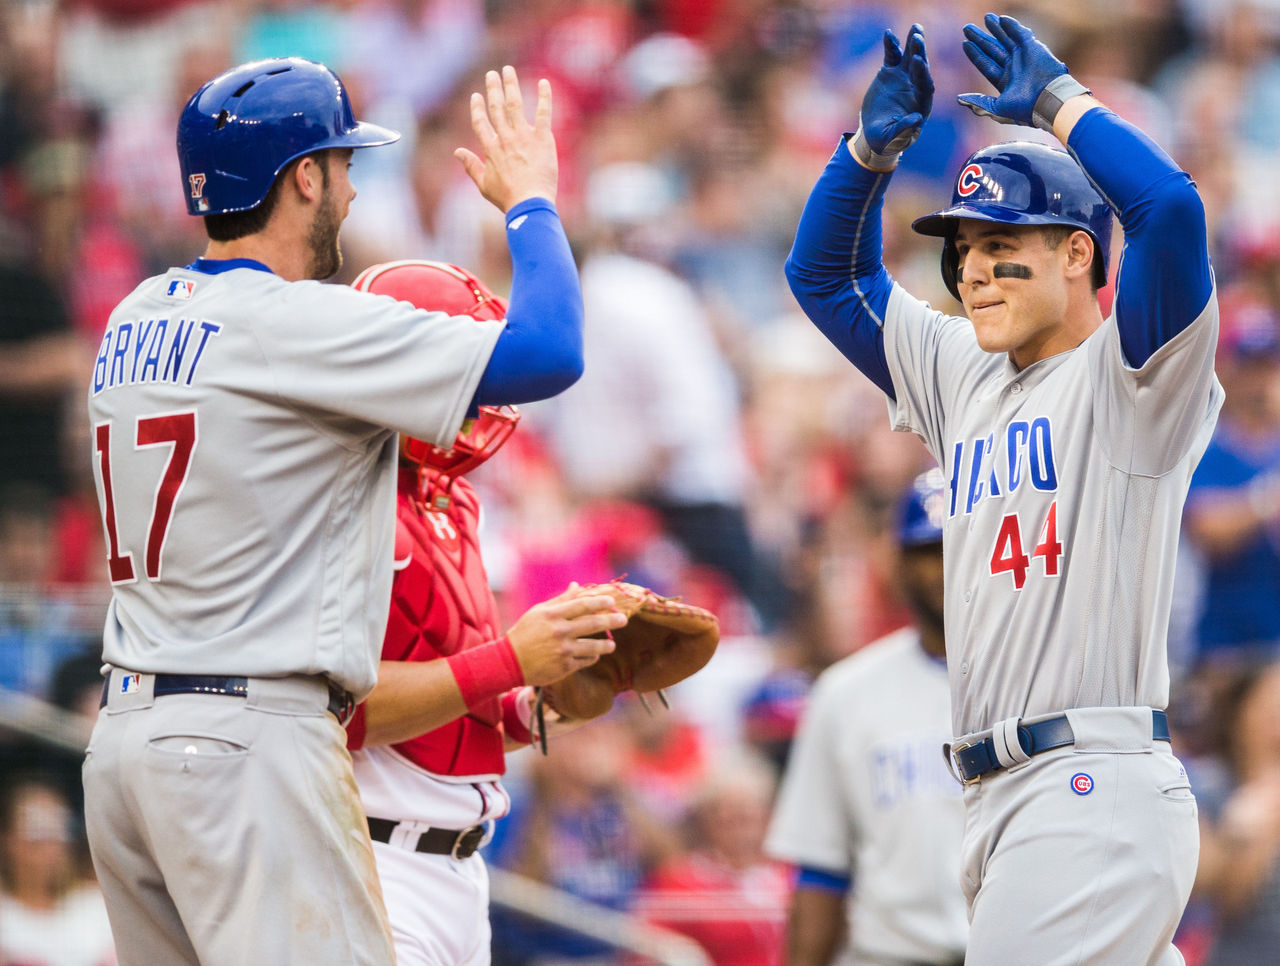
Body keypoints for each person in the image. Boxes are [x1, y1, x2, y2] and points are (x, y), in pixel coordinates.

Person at [82, 58, 623, 966]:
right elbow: (550, 350)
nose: (350, 185)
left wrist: (514, 698)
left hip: (130, 738)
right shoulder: (298, 321)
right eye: (340, 165)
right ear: (303, 178)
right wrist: (530, 201)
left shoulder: (135, 314)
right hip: (246, 741)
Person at [785, 14, 1220, 964]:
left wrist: (1063, 105)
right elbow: (823, 275)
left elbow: (1170, 213)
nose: (976, 267)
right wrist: (867, 155)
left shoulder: (1133, 373)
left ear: (1077, 253)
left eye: (1005, 241)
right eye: (966, 246)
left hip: (1086, 787)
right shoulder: (961, 373)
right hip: (1003, 796)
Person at [342, 258, 625, 966]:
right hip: (371, 858)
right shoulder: (342, 500)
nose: (485, 394)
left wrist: (544, 706)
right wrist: (512, 660)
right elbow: (339, 715)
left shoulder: (452, 498)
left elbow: (453, 719)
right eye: (469, 368)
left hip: (461, 871)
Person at [764, 468, 966, 966]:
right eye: (926, 552)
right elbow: (820, 869)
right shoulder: (846, 692)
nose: (943, 568)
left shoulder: (1046, 681)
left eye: (960, 547)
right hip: (892, 954)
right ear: (895, 562)